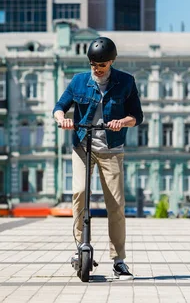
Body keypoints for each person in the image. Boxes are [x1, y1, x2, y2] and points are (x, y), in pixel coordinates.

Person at [53, 36, 144, 280]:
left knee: (116, 205)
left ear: (111, 62)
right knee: (79, 193)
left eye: (102, 64)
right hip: (83, 145)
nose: (97, 68)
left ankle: (119, 261)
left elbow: (137, 116)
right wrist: (62, 118)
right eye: (94, 64)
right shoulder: (79, 81)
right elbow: (59, 106)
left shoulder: (125, 82)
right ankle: (79, 249)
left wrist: (122, 121)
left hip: (112, 148)